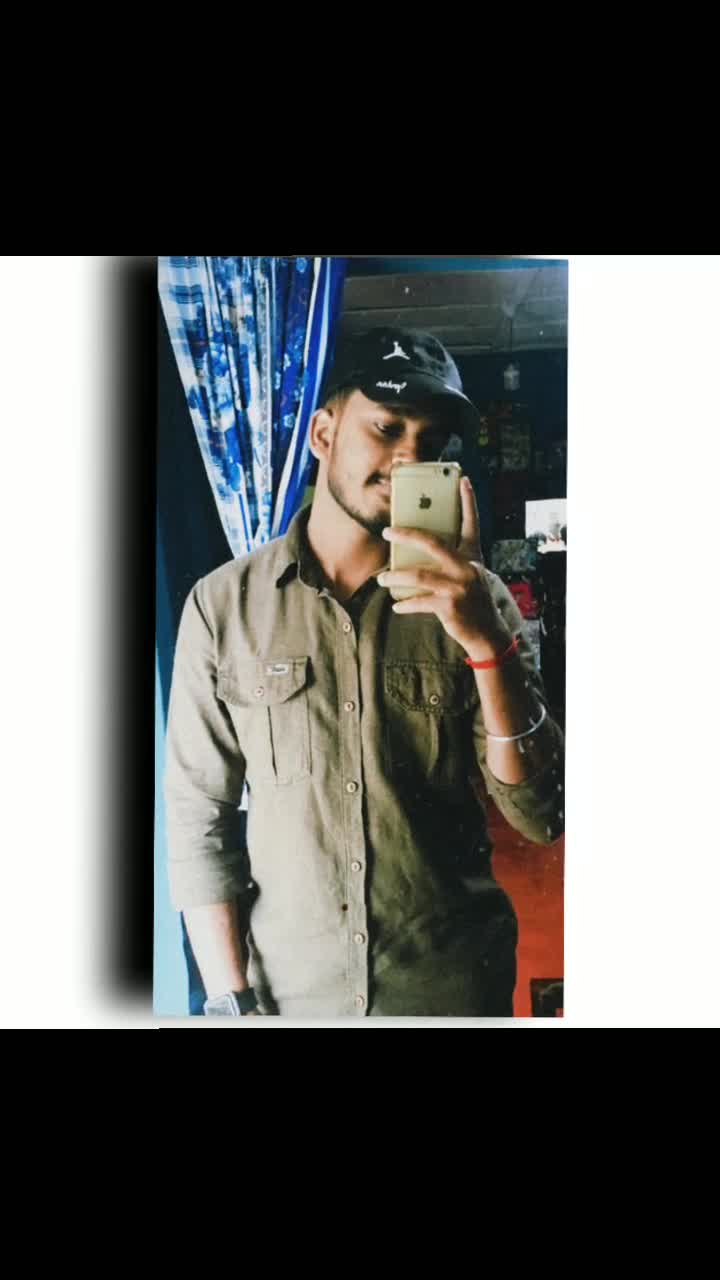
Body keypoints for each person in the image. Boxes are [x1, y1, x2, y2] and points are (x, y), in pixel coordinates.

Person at [164, 327, 565, 1018]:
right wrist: (230, 1000)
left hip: (448, 991)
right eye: (387, 427)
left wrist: (485, 643)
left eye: (431, 443)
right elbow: (199, 816)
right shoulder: (224, 607)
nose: (409, 457)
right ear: (323, 434)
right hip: (291, 996)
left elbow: (540, 815)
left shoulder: (480, 602)